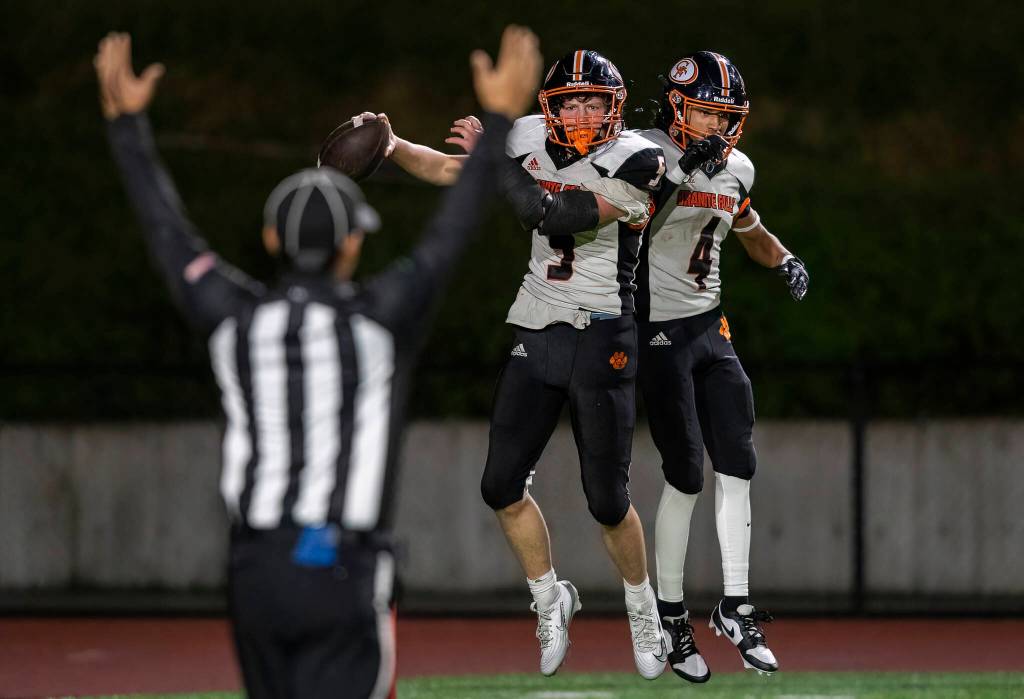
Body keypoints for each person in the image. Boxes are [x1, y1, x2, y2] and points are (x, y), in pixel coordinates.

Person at [94, 26, 542, 699]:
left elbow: (167, 233)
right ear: (353, 247)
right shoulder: (382, 319)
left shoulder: (235, 320)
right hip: (341, 565)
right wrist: (503, 116)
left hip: (255, 571)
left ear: (272, 238)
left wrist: (127, 126)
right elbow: (451, 231)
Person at [373, 49, 671, 680]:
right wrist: (395, 145)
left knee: (608, 500)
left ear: (616, 109)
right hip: (537, 324)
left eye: (596, 101)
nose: (585, 111)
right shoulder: (527, 139)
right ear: (552, 106)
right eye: (573, 100)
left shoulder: (640, 160)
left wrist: (498, 155)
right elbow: (457, 171)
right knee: (499, 485)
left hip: (603, 332)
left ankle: (644, 607)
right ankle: (549, 596)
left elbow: (555, 213)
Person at [632, 51, 809, 682]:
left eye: (725, 116)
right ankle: (672, 617)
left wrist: (784, 258)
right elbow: (626, 225)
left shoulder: (735, 167)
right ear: (678, 106)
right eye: (707, 112)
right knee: (684, 474)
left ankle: (735, 604)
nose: (717, 126)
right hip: (655, 328)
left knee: (738, 456)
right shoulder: (642, 151)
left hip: (710, 325)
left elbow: (748, 227)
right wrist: (680, 171)